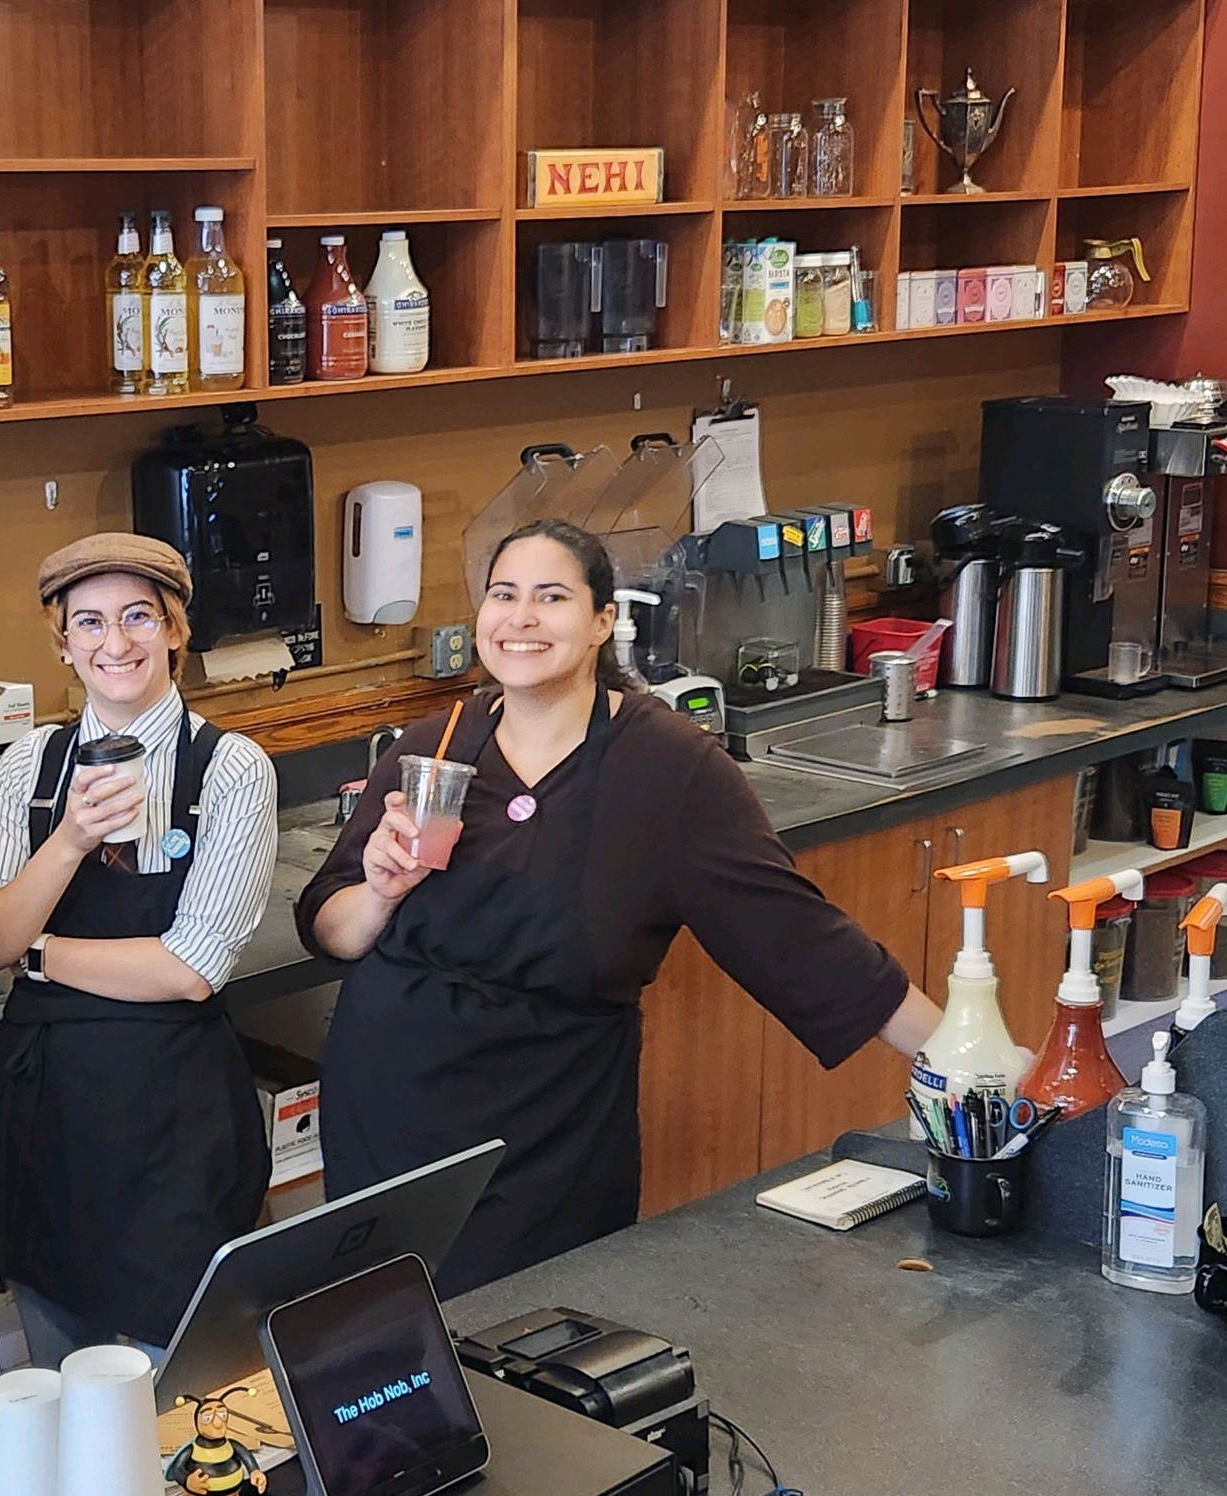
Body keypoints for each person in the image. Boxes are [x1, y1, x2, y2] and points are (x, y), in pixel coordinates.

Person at [296, 518, 943, 1295]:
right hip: (387, 1114)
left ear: (604, 620)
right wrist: (377, 892)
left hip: (548, 1133)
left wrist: (972, 1062)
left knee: (535, 1349)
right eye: (504, 595)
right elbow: (330, 925)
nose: (522, 618)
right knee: (389, 1349)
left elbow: (804, 942)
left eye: (552, 597)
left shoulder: (666, 769)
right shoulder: (436, 746)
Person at [0, 533, 279, 1367]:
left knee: (191, 1377)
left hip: (174, 1113)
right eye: (89, 622)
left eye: (137, 617)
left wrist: (42, 954)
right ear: (63, 644)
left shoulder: (229, 771)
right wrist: (70, 840)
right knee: (63, 1372)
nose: (114, 643)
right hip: (43, 1106)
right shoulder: (31, 766)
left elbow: (189, 971)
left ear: (175, 632)